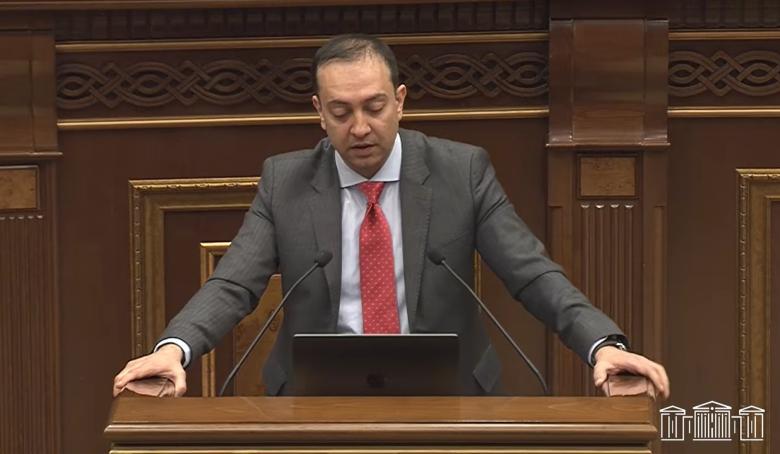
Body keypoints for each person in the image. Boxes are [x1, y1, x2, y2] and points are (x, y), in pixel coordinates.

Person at [113, 34, 669, 399]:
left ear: (400, 100)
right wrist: (173, 349)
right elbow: (234, 283)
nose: (360, 128)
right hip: (316, 397)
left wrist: (604, 345)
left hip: (447, 393)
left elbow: (532, 274)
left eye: (374, 107)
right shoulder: (286, 181)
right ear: (319, 113)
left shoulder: (461, 172)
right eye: (341, 112)